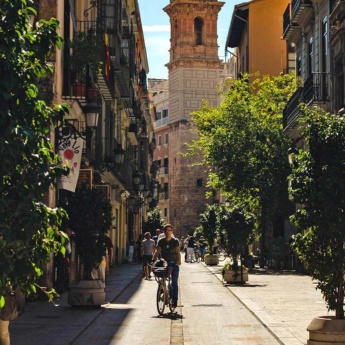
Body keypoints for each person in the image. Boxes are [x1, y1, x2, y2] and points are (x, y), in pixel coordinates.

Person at [152, 224, 181, 308]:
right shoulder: (161, 241)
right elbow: (157, 252)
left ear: (172, 232)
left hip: (173, 263)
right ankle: (162, 290)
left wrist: (179, 261)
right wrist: (153, 261)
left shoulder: (175, 241)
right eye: (166, 231)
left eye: (170, 231)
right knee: (161, 278)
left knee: (174, 282)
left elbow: (178, 252)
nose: (168, 232)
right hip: (164, 263)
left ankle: (174, 299)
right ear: (164, 232)